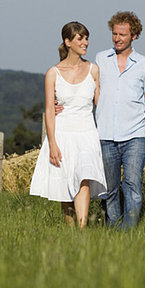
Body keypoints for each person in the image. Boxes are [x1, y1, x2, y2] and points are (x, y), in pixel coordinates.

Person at [30, 21, 107, 229]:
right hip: (62, 132)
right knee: (65, 183)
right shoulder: (52, 73)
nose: (86, 43)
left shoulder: (94, 70)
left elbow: (101, 104)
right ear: (68, 41)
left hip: (87, 132)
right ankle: (71, 230)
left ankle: (82, 231)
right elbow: (49, 110)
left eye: (86, 38)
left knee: (84, 179)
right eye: (80, 38)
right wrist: (52, 143)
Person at [95, 11, 145, 228]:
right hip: (105, 134)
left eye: (122, 34)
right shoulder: (101, 59)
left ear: (134, 36)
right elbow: (90, 90)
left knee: (133, 186)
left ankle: (128, 232)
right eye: (114, 34)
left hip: (135, 136)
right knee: (109, 189)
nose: (117, 38)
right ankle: (113, 230)